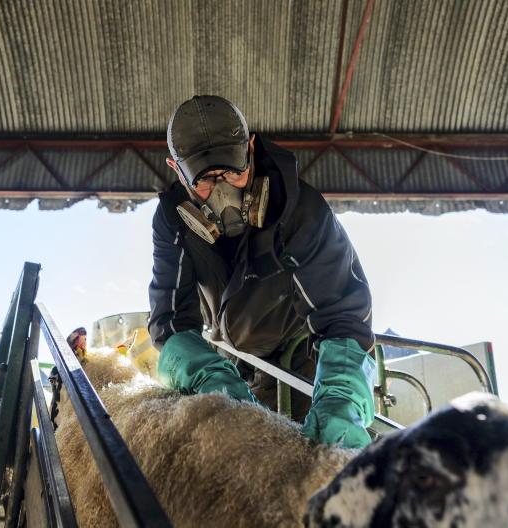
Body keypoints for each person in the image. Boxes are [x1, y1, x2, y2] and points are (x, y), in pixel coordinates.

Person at [148, 95, 376, 448]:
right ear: (177, 170)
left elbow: (341, 313)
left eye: (233, 171)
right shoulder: (173, 221)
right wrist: (208, 375)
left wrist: (340, 399)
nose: (222, 191)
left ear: (251, 149)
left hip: (302, 364)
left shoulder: (299, 209)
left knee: (319, 456)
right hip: (228, 362)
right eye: (204, 179)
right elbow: (171, 321)